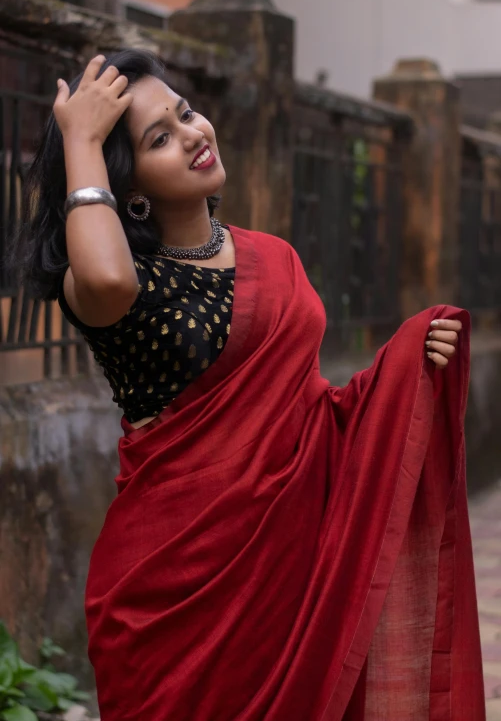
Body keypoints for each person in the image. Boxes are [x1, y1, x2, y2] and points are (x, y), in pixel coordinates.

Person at [16, 49, 485, 720]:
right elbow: (107, 278)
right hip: (174, 591)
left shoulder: (274, 257)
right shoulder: (114, 280)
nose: (192, 134)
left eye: (185, 114)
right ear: (129, 186)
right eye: (159, 138)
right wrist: (82, 139)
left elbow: (313, 415)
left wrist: (404, 359)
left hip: (284, 577)